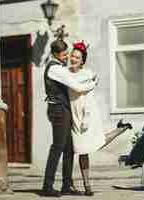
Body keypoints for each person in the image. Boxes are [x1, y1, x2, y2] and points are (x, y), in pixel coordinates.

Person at [68, 41, 132, 196]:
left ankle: (87, 184)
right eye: (72, 55)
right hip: (72, 113)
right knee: (74, 149)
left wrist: (85, 118)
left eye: (77, 57)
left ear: (83, 60)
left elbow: (88, 99)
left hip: (85, 114)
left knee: (88, 148)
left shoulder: (87, 74)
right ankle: (69, 183)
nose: (73, 59)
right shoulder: (66, 72)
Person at [42, 39, 97, 197]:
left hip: (62, 109)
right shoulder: (55, 69)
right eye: (64, 54)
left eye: (67, 53)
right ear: (55, 54)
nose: (67, 56)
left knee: (69, 148)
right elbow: (77, 86)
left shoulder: (59, 67)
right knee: (58, 147)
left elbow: (76, 78)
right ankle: (47, 186)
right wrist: (93, 83)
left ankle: (67, 185)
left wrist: (89, 76)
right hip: (58, 110)